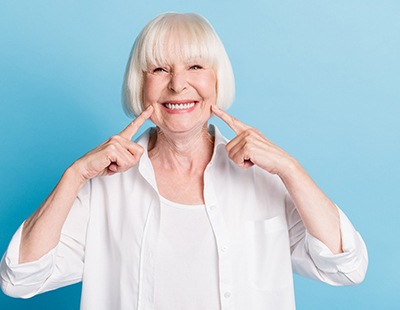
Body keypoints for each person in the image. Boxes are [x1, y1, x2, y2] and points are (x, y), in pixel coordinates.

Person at [0, 12, 367, 310]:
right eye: (160, 69)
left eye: (195, 67)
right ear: (139, 84)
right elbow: (19, 279)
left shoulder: (264, 179)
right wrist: (75, 174)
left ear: (217, 80)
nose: (177, 85)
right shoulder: (102, 189)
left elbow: (346, 267)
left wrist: (290, 168)